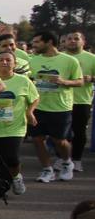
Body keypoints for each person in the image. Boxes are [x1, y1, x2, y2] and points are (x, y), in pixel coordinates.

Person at [28, 30, 83, 184]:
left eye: (37, 42)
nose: (34, 45)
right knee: (37, 139)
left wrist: (64, 82)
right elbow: (29, 80)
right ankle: (47, 169)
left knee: (59, 141)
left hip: (60, 107)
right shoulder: (33, 60)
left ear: (49, 42)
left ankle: (67, 162)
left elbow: (80, 82)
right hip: (38, 106)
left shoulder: (69, 61)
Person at [0, 51, 39, 195]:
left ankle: (16, 177)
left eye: (8, 60)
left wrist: (30, 111)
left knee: (11, 158)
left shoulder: (24, 81)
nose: (5, 62)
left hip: (14, 127)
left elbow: (35, 98)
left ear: (15, 64)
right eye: (1, 60)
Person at [61, 31, 95, 171]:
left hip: (82, 100)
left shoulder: (91, 58)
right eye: (69, 39)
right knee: (61, 133)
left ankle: (77, 159)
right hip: (60, 101)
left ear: (83, 41)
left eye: (76, 39)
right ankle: (63, 158)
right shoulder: (59, 57)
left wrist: (91, 79)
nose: (72, 41)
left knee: (79, 131)